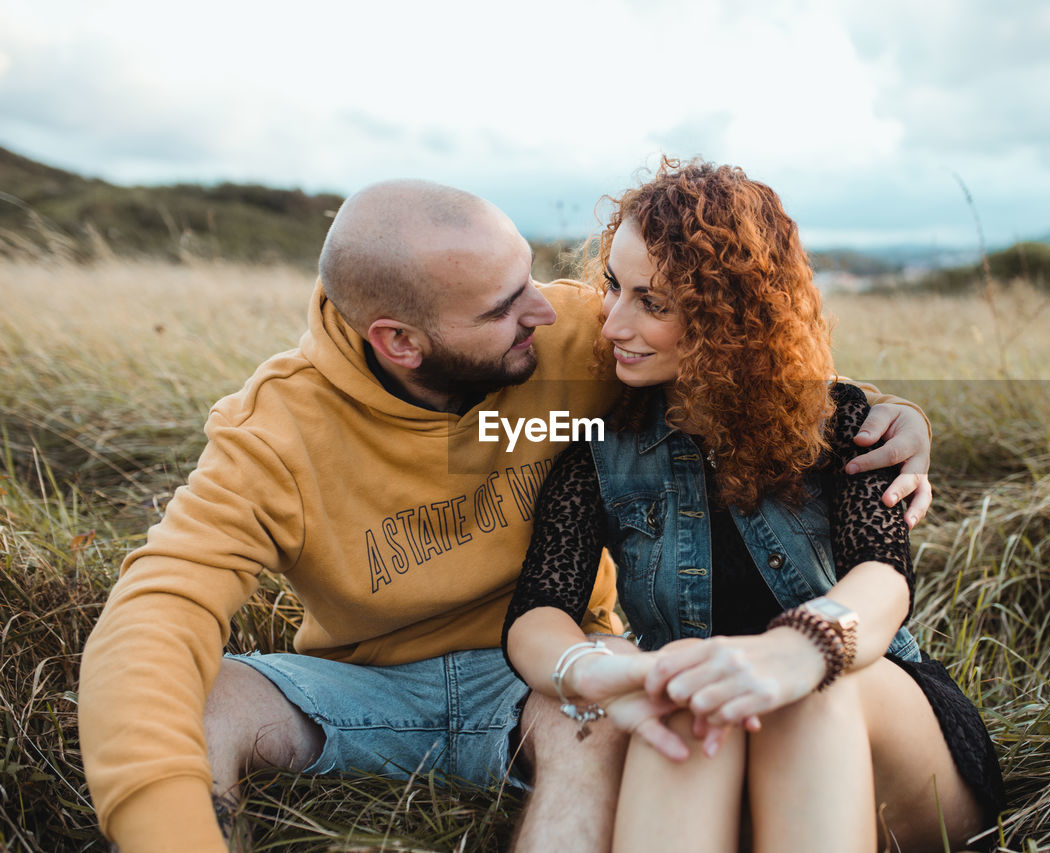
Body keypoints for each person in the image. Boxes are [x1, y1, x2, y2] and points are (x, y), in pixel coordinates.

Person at [77, 178, 936, 852]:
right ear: (400, 341)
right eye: (501, 305)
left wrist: (894, 418)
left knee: (615, 720)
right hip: (371, 684)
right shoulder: (272, 432)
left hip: (550, 675)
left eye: (530, 276)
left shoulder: (573, 340)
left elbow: (747, 353)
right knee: (198, 698)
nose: (556, 310)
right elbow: (158, 611)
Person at [503, 159, 1005, 852]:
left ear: (726, 317)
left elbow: (885, 578)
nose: (612, 322)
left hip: (876, 727)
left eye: (653, 303)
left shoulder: (844, 423)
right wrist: (604, 668)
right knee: (681, 695)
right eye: (615, 286)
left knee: (805, 696)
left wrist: (798, 649)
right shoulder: (599, 447)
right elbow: (539, 610)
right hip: (713, 742)